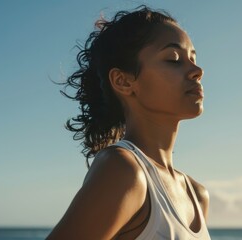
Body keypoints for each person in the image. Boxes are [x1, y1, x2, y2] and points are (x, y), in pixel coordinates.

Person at [46, 5, 211, 240]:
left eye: (193, 59)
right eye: (174, 59)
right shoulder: (123, 170)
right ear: (123, 81)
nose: (197, 70)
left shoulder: (197, 195)